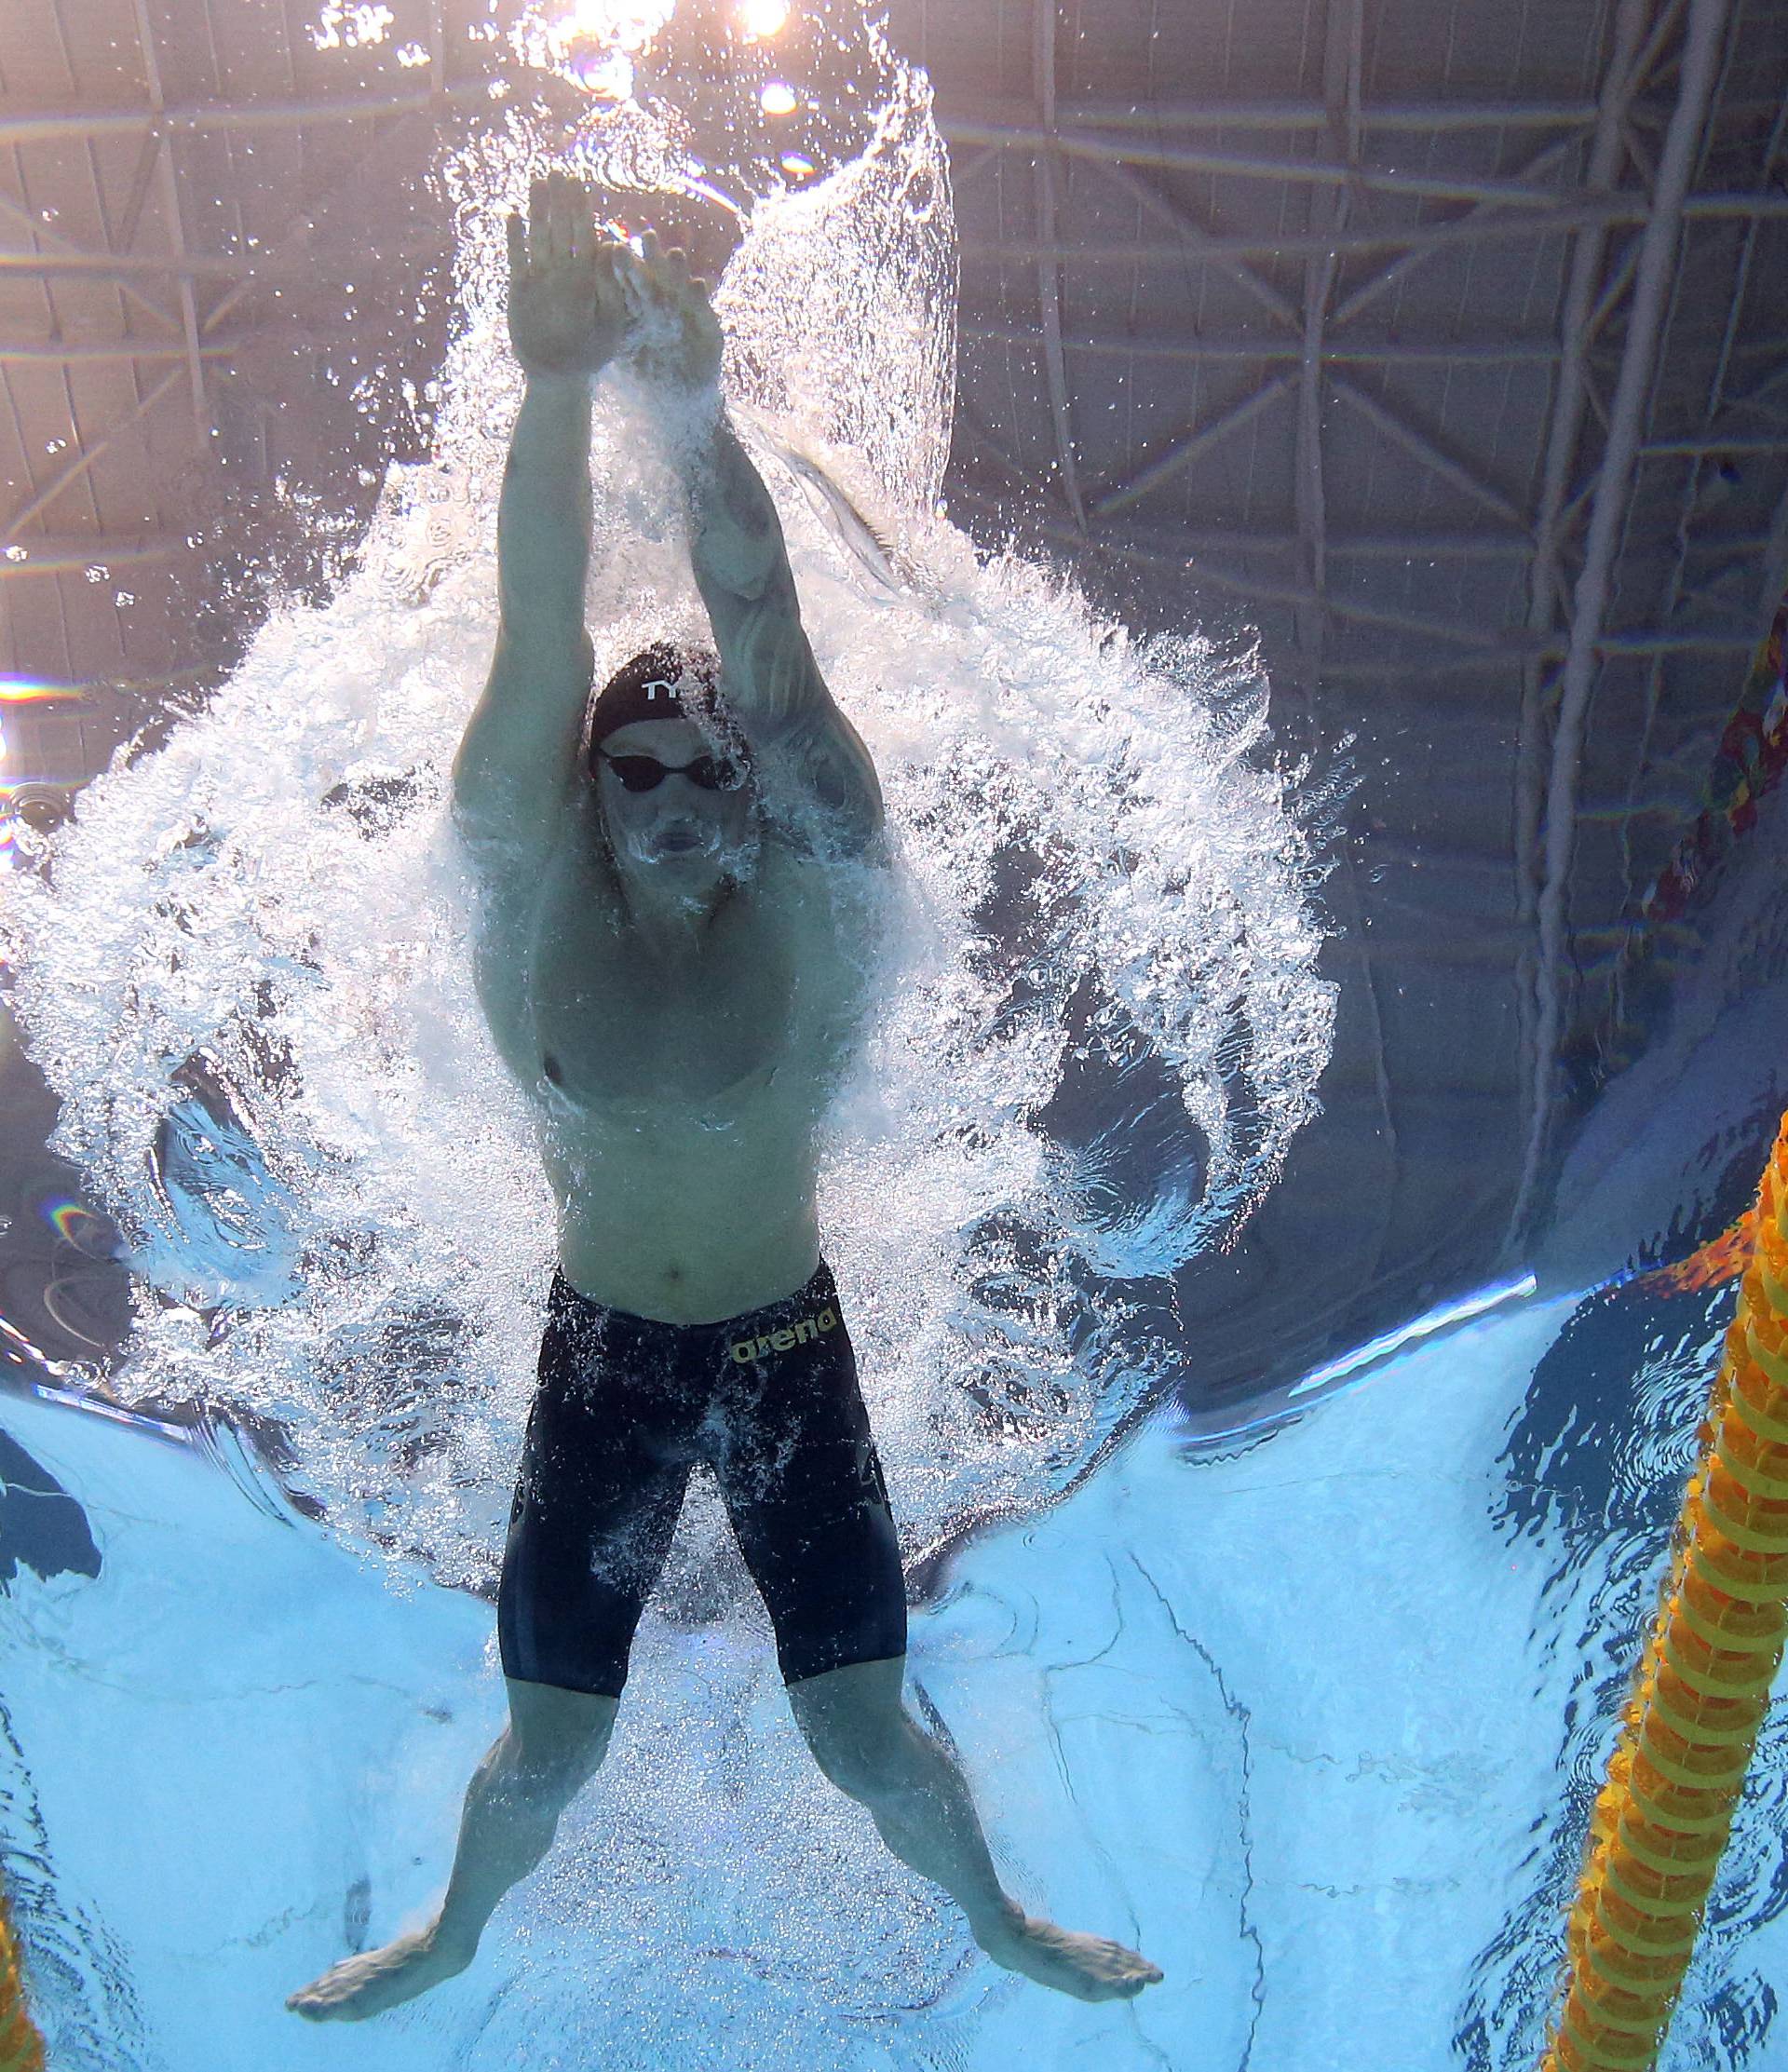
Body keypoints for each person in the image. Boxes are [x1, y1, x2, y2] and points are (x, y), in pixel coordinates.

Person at [287, 171, 1162, 2022]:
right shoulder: (531, 900)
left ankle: (1001, 1924)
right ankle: (451, 1937)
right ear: (590, 793)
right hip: (598, 1354)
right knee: (549, 1756)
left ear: (748, 785)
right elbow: (540, 644)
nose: (677, 795)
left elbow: (766, 638)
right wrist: (549, 389)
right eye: (637, 771)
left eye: (704, 766)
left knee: (857, 1735)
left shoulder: (819, 901)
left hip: (784, 1344)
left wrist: (686, 414)